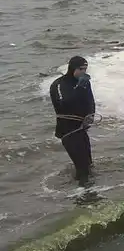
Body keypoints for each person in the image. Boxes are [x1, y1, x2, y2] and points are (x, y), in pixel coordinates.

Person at [49, 56, 96, 184]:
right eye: (81, 69)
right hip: (68, 131)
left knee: (89, 165)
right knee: (82, 169)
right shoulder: (58, 84)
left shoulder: (85, 82)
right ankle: (81, 197)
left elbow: (90, 101)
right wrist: (79, 88)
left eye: (85, 69)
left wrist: (91, 115)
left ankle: (92, 192)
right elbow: (63, 105)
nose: (84, 72)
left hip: (81, 129)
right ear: (73, 68)